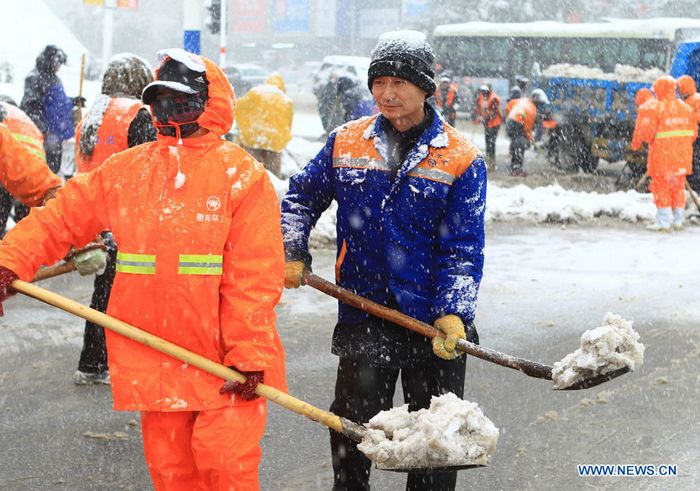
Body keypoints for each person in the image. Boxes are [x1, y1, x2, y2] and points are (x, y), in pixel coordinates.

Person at [0, 48, 286, 490]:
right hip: (156, 356)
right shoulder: (128, 172)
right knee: (173, 477)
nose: (169, 110)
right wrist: (9, 260)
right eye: (160, 100)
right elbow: (61, 218)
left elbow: (255, 276)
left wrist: (249, 354)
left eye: (181, 99)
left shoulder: (240, 176)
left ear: (210, 103)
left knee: (225, 469)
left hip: (225, 364)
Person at [281, 31, 486, 491]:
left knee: (434, 445)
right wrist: (292, 248)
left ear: (426, 88)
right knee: (352, 433)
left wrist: (454, 311)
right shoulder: (345, 142)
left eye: (400, 83)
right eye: (379, 82)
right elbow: (298, 198)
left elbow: (464, 247)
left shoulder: (461, 157)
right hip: (363, 313)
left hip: (432, 324)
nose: (387, 94)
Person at [71, 53, 156, 385]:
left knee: (103, 294)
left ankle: (92, 362)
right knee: (124, 296)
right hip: (125, 219)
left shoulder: (91, 116)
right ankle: (113, 363)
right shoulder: (138, 115)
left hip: (93, 217)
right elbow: (149, 167)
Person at [631, 75, 696, 231]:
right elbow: (693, 134)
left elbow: (647, 134)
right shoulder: (686, 108)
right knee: (678, 189)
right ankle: (678, 221)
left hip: (663, 157)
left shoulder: (657, 108)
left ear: (659, 90)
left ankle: (663, 222)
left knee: (662, 189)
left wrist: (637, 143)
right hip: (683, 157)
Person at [20, 45, 84, 174]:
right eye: (57, 63)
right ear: (50, 61)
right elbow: (30, 108)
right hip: (45, 137)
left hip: (56, 136)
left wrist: (73, 101)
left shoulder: (54, 79)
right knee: (42, 172)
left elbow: (57, 104)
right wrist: (43, 130)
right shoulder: (35, 78)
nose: (59, 67)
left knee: (53, 171)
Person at [0, 97, 49, 235]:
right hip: (35, 170)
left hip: (10, 164)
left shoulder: (4, 112)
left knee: (3, 203)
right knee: (26, 222)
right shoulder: (24, 119)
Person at [235, 73, 293, 178]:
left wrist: (242, 128)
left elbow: (239, 108)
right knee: (273, 175)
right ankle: (273, 189)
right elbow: (288, 123)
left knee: (252, 172)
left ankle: (252, 191)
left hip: (253, 137)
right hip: (275, 141)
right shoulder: (285, 99)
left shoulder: (255, 92)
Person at [505, 88, 551, 177]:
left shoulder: (523, 100)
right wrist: (532, 141)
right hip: (517, 125)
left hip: (510, 123)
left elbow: (509, 106)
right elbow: (527, 129)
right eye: (541, 104)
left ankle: (513, 168)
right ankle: (516, 169)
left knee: (516, 145)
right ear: (538, 103)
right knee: (521, 144)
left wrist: (511, 116)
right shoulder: (531, 110)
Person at [677, 75, 700, 192]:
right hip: (692, 136)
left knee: (693, 164)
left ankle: (694, 189)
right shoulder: (692, 99)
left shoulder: (693, 101)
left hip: (694, 137)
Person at [474, 84, 502, 171]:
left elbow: (494, 112)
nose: (484, 93)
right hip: (487, 123)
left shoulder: (494, 98)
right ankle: (489, 162)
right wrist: (479, 117)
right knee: (488, 142)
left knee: (491, 143)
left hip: (494, 123)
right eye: (482, 92)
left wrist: (485, 117)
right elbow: (479, 108)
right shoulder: (481, 98)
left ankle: (491, 163)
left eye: (485, 91)